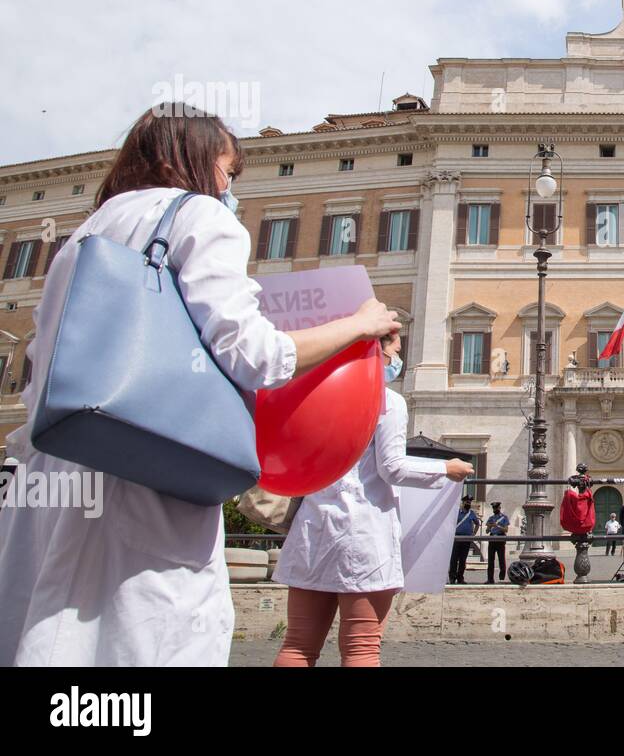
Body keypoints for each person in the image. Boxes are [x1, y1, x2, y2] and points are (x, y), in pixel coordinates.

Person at [0, 106, 402, 666]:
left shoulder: (84, 234)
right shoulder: (200, 217)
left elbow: (39, 370)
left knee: (56, 641)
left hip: (60, 470)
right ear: (179, 160)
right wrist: (360, 326)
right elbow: (255, 356)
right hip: (153, 470)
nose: (229, 188)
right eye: (228, 172)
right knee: (147, 642)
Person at [272, 335, 473, 666]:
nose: (398, 356)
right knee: (362, 647)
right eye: (395, 347)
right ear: (375, 349)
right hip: (362, 535)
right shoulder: (387, 401)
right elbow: (392, 468)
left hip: (313, 528)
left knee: (298, 646)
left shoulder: (319, 394)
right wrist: (445, 468)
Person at [448, 495, 480, 585]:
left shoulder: (472, 513)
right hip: (457, 538)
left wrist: (473, 534)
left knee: (463, 560)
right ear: (463, 502)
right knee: (454, 559)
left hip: (466, 539)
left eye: (469, 502)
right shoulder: (457, 512)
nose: (468, 503)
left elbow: (477, 524)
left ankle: (460, 578)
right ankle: (452, 578)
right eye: (467, 502)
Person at [485, 501, 509, 584]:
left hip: (500, 537)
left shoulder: (504, 517)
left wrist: (497, 526)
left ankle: (502, 576)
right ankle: (490, 579)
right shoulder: (491, 518)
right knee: (491, 560)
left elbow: (506, 529)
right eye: (494, 508)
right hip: (492, 538)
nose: (495, 509)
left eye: (496, 508)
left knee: (501, 558)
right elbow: (487, 531)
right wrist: (489, 526)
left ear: (499, 508)